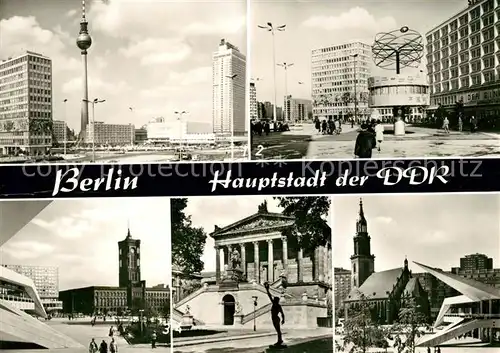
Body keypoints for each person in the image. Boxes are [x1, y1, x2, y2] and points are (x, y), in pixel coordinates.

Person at [264, 282, 285, 346]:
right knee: (278, 330)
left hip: (275, 318)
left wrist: (267, 289)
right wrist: (283, 320)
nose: (274, 300)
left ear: (276, 300)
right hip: (275, 318)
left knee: (278, 330)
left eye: (275, 299)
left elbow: (269, 296)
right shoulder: (277, 305)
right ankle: (280, 340)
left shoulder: (276, 305)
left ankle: (280, 340)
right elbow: (282, 314)